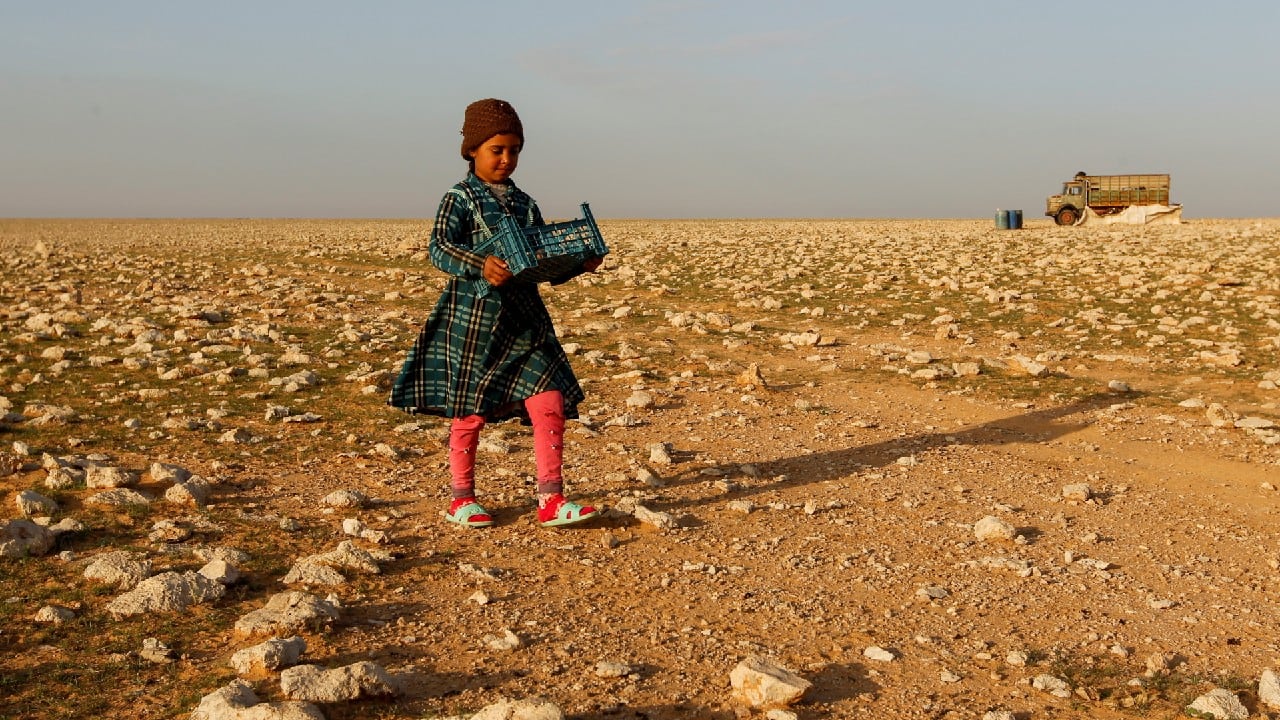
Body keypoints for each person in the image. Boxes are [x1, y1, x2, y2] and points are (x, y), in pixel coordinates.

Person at [389, 98, 603, 529]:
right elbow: (438, 247)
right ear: (472, 150)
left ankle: (551, 499)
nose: (507, 159)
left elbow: (540, 256)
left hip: (525, 320)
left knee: (549, 400)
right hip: (474, 322)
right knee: (469, 410)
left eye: (515, 150)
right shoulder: (459, 198)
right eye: (497, 150)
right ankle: (461, 500)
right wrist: (479, 265)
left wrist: (577, 264)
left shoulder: (525, 203)